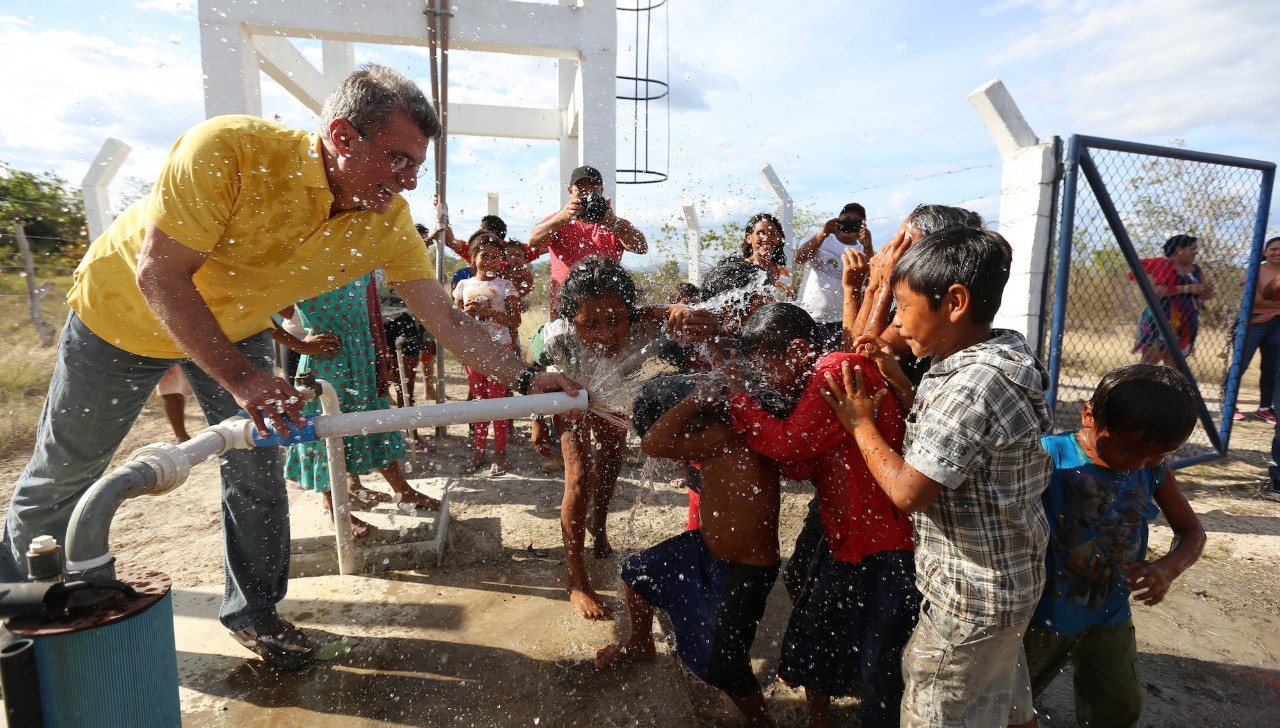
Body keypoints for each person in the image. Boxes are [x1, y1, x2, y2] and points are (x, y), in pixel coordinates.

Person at [0, 63, 574, 671]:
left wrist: (526, 378)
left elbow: (448, 322)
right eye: (398, 159)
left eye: (416, 166)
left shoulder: (385, 221)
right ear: (343, 136)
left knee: (256, 469)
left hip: (235, 326)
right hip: (121, 317)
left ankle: (255, 613)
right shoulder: (231, 150)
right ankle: (16, 612)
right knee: (66, 472)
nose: (408, 182)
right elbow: (160, 275)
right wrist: (245, 380)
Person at [818, 226, 1052, 726]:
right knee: (1003, 698)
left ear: (955, 303)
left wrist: (859, 423)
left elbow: (908, 491)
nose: (897, 323)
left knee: (935, 699)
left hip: (970, 596)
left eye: (902, 307)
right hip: (1008, 580)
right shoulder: (997, 356)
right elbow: (952, 444)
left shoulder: (971, 385)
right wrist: (899, 380)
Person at [728, 303, 918, 728]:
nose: (763, 380)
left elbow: (790, 444)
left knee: (880, 659)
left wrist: (738, 400)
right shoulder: (821, 377)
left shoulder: (837, 370)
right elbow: (803, 462)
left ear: (798, 350)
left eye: (764, 366)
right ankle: (820, 719)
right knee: (818, 632)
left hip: (888, 543)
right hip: (850, 538)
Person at [1014, 364, 1205, 728]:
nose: (1139, 464)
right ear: (1089, 416)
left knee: (1120, 706)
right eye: (1128, 450)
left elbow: (1192, 533)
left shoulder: (1152, 469)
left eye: (1158, 455)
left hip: (1109, 614)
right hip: (1042, 616)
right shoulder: (1050, 457)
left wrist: (1166, 569)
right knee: (1015, 702)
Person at [528, 257, 716, 619]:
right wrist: (537, 419)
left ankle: (598, 527)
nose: (604, 334)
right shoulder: (557, 337)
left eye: (615, 322)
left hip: (613, 394)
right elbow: (531, 364)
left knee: (612, 460)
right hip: (569, 394)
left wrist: (682, 311)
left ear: (630, 313)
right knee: (579, 477)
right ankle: (576, 580)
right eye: (590, 325)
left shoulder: (645, 323)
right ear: (572, 321)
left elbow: (670, 313)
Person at [596, 373, 781, 728]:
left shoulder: (723, 435)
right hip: (707, 550)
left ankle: (761, 722)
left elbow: (653, 443)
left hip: (744, 572)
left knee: (723, 665)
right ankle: (639, 643)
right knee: (639, 573)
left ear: (693, 418)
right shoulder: (719, 432)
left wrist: (694, 399)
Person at [283, 275, 441, 539]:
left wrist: (381, 356)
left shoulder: (356, 263)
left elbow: (371, 315)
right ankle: (335, 510)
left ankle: (403, 491)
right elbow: (258, 308)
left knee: (376, 421)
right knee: (325, 431)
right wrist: (299, 344)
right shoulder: (300, 263)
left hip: (363, 356)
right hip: (327, 359)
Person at [527, 165, 647, 313]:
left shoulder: (614, 223)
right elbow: (533, 241)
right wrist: (563, 217)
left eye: (592, 191)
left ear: (601, 192)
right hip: (566, 309)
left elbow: (641, 247)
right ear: (570, 191)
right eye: (581, 190)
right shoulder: (558, 221)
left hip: (606, 311)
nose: (586, 196)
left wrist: (614, 224)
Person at [453, 232, 521, 476]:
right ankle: (479, 452)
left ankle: (500, 452)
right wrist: (466, 313)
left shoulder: (505, 286)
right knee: (479, 402)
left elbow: (515, 320)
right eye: (485, 256)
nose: (490, 261)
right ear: (473, 258)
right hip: (473, 351)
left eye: (495, 257)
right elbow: (455, 322)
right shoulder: (463, 286)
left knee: (498, 401)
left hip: (499, 350)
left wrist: (490, 314)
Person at [795, 202, 874, 351]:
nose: (850, 224)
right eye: (846, 219)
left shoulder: (865, 252)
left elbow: (871, 281)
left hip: (843, 324)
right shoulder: (822, 240)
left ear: (863, 225)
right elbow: (799, 258)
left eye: (856, 221)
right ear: (838, 220)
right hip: (808, 318)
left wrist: (868, 246)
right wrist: (823, 233)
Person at [1131, 234, 1214, 367]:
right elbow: (1154, 291)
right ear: (1179, 250)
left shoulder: (1196, 270)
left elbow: (1206, 295)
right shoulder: (1160, 266)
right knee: (1150, 361)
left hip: (1186, 322)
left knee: (1174, 365)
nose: (1196, 252)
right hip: (1160, 318)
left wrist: (1207, 292)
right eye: (1192, 248)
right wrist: (1187, 288)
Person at [1234, 236, 1280, 423]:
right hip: (1254, 321)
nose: (1277, 252)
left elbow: (1265, 300)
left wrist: (1272, 304)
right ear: (1265, 252)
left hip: (1278, 324)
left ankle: (1265, 408)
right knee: (1241, 364)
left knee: (1272, 368)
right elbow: (1254, 300)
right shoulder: (1255, 270)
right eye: (1274, 249)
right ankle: (1229, 405)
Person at [739, 212, 793, 300]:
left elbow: (789, 302)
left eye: (772, 233)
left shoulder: (783, 272)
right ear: (748, 238)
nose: (766, 238)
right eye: (760, 233)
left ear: (779, 238)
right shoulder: (741, 270)